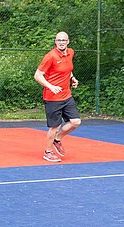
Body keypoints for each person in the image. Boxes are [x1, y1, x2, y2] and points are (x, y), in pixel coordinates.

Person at [34, 31, 81, 162]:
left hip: (66, 95)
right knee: (54, 127)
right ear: (55, 42)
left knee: (75, 122)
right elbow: (37, 75)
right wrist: (50, 86)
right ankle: (47, 152)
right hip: (52, 98)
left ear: (68, 41)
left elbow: (68, 69)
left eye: (63, 40)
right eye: (59, 40)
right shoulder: (50, 56)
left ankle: (57, 139)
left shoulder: (70, 52)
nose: (61, 42)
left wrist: (73, 78)